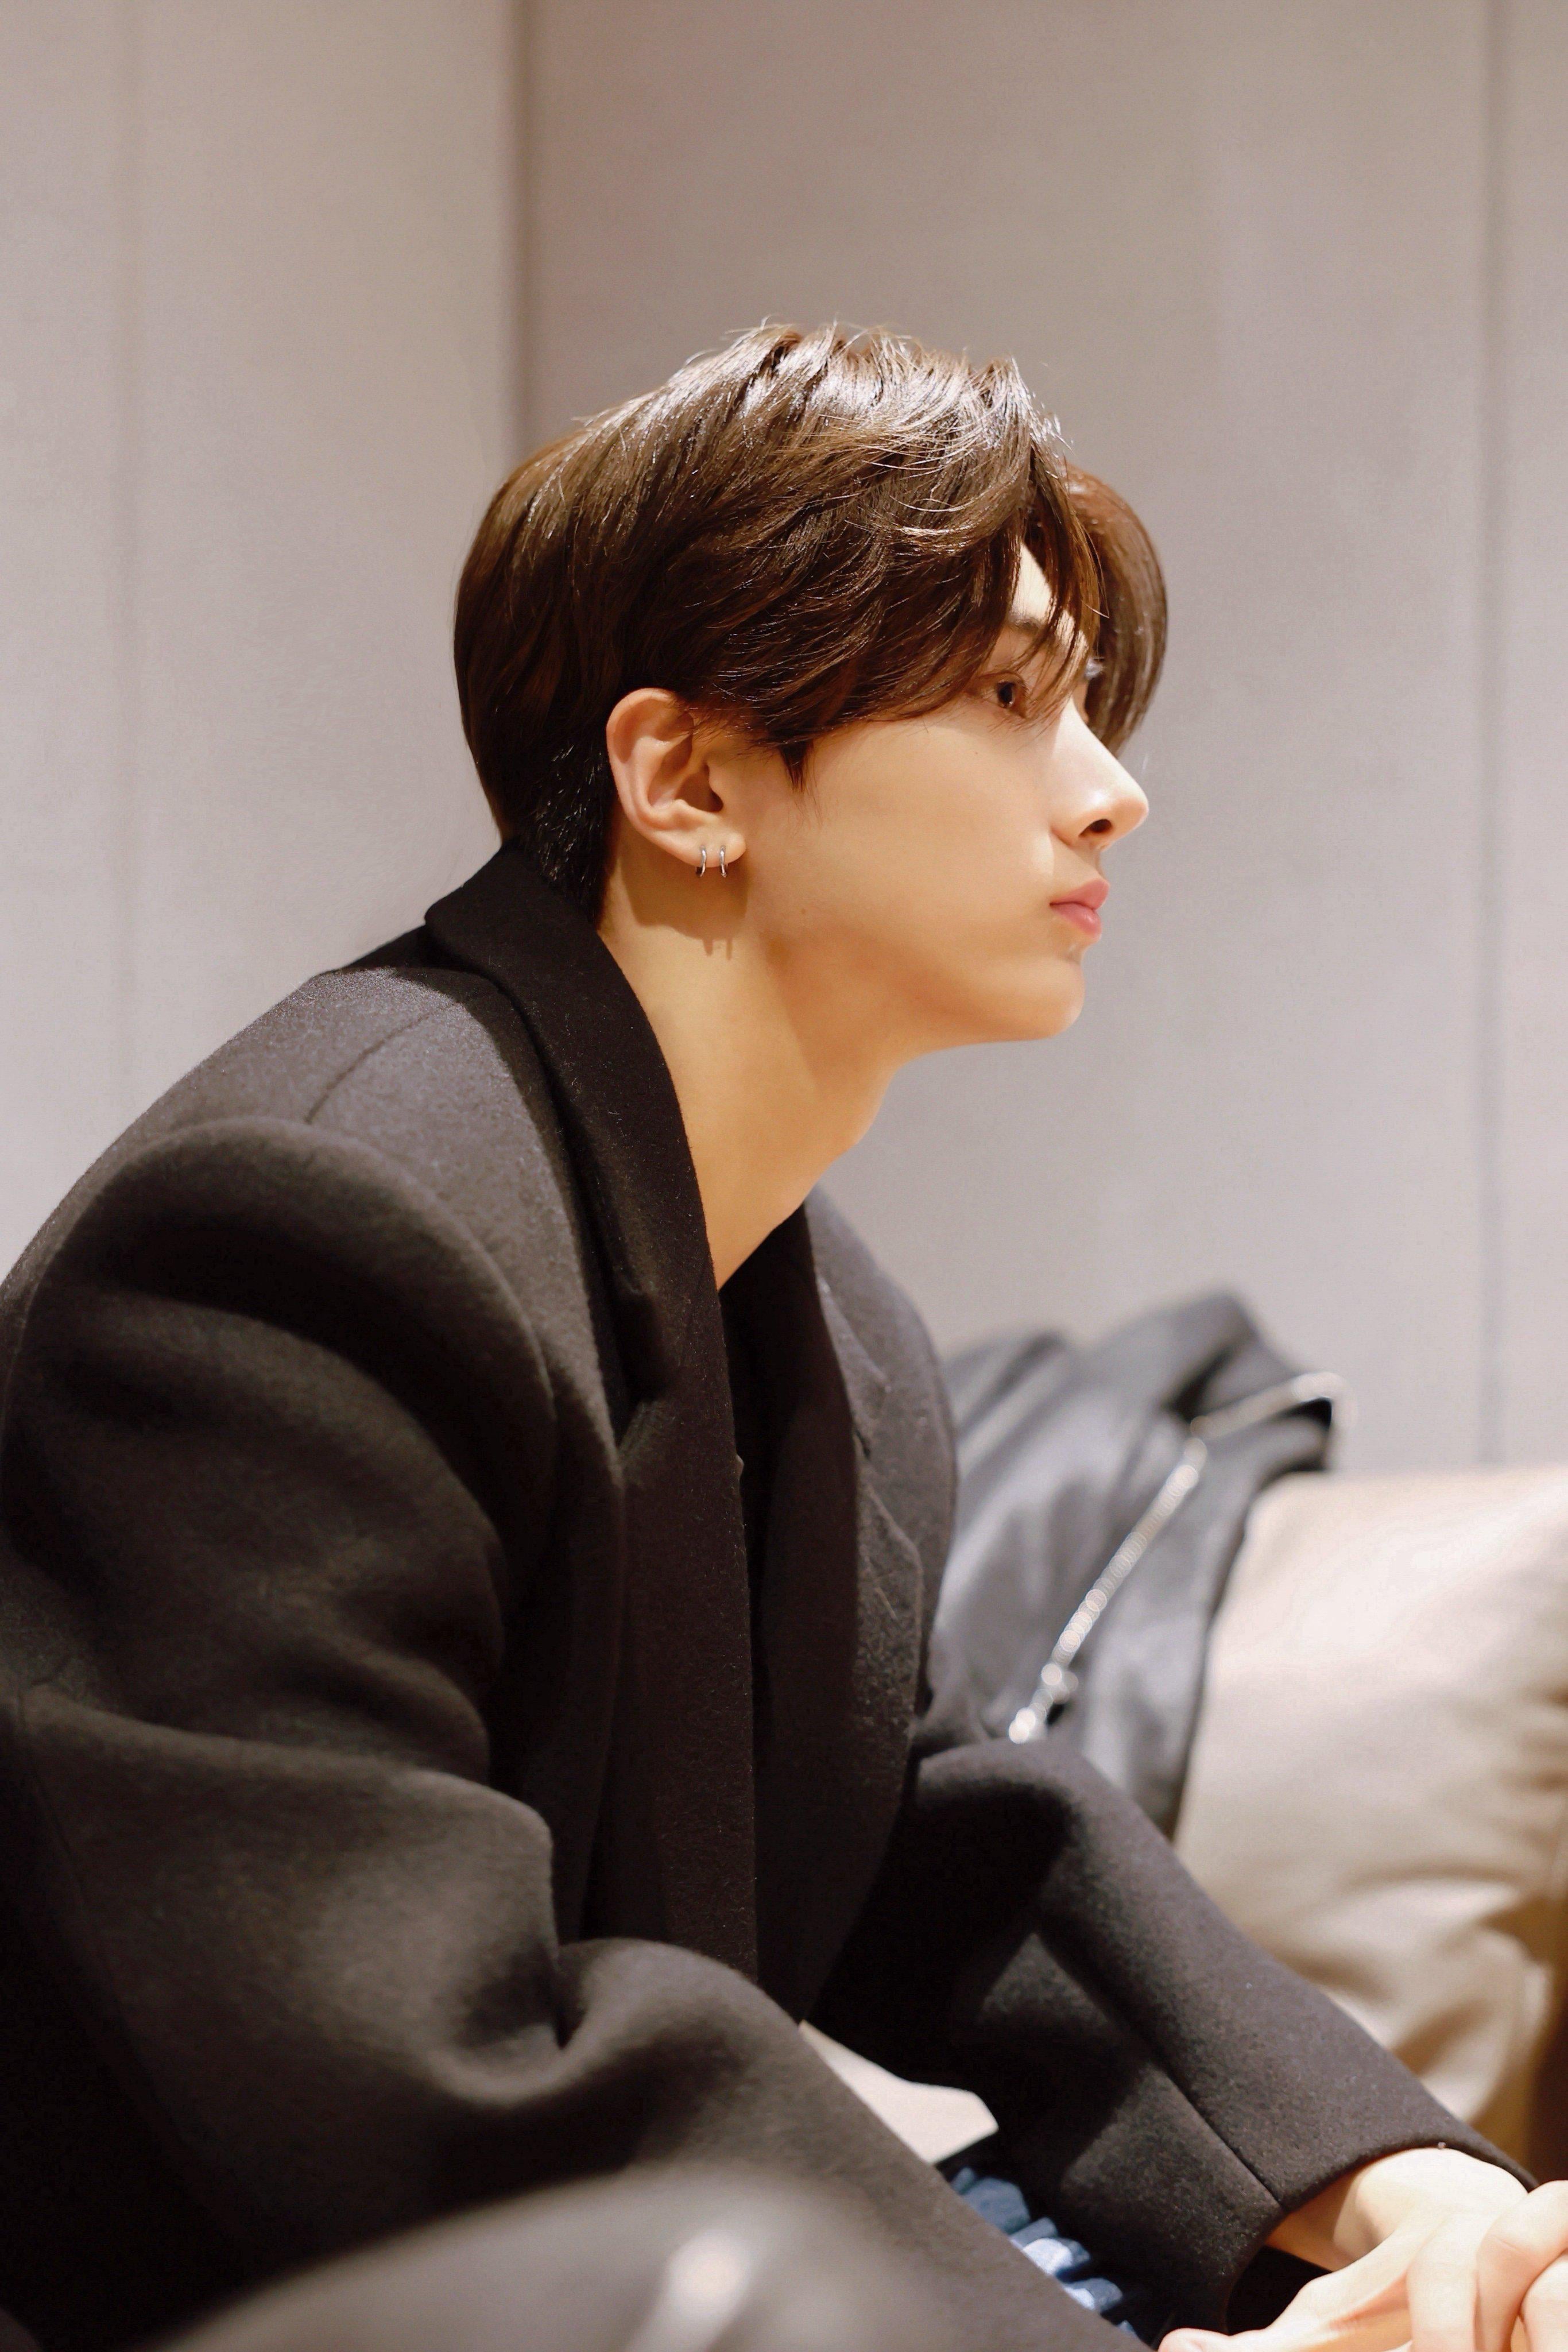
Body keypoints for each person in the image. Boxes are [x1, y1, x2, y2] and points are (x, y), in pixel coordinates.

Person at [1, 323, 1565, 2352]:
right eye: (1010, 701)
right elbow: (417, 2081)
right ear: (688, 779)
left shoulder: (819, 1306)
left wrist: (1402, 2197)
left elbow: (953, 1841)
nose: (1112, 793)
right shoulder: (299, 1237)